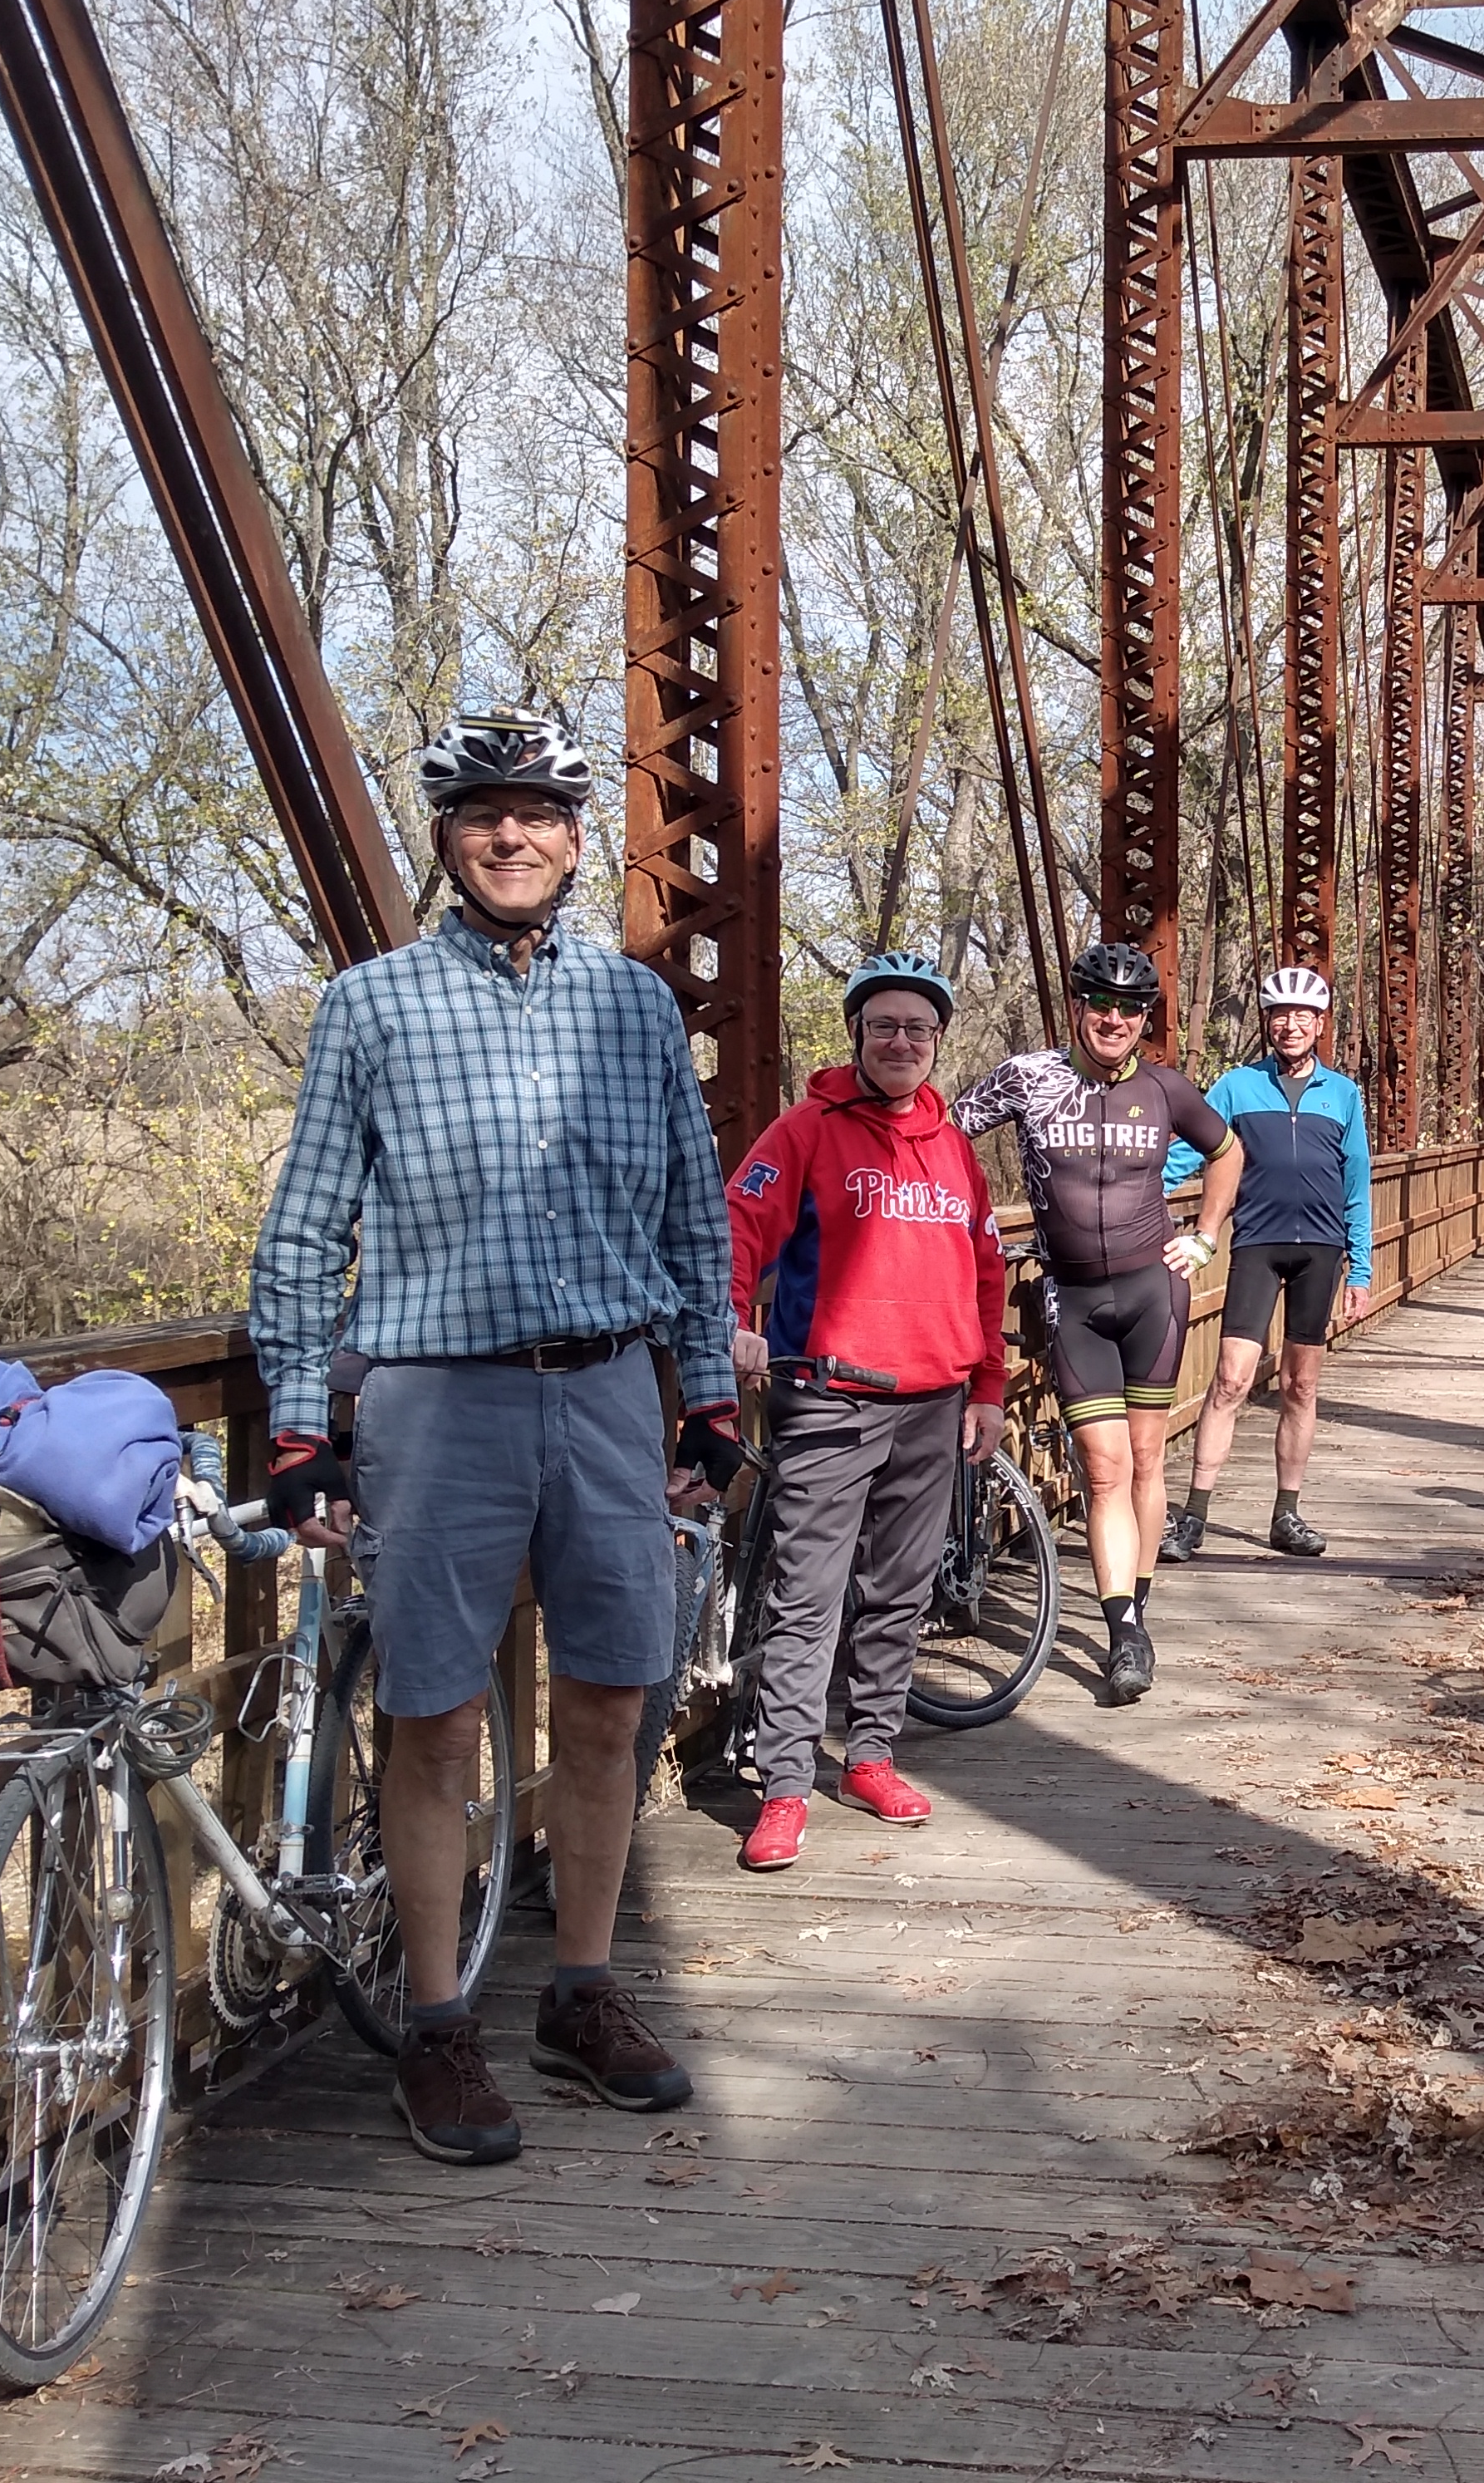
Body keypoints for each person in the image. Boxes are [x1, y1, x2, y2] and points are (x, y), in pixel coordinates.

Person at [250, 707, 739, 2165]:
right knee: (436, 1716)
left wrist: (709, 1396)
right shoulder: (372, 1007)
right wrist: (297, 1427)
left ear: (579, 841)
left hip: (607, 1391)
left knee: (610, 1702)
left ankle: (580, 1992)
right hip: (435, 1395)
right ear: (446, 838)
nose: (510, 835)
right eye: (481, 813)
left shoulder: (637, 1008)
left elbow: (694, 1219)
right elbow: (304, 1233)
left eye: (536, 813)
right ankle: (437, 2025)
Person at [721, 950, 1010, 1871]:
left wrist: (989, 1386)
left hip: (934, 1401)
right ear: (856, 1034)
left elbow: (987, 1272)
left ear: (937, 1043)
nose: (900, 1042)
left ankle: (871, 1757)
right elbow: (737, 1228)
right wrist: (734, 1322)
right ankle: (784, 1786)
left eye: (918, 1029)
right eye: (883, 1025)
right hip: (830, 1398)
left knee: (899, 1594)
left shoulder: (954, 1148)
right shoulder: (805, 1130)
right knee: (807, 1598)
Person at [951, 940, 1242, 1703]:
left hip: (1153, 1292)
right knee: (1104, 1467)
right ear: (1077, 1006)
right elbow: (939, 1135)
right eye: (1102, 1004)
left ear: (1145, 1019)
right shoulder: (1028, 1077)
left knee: (1145, 1461)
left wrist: (1206, 1234)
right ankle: (1124, 1632)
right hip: (1073, 1297)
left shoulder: (1165, 1088)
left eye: (1131, 1009)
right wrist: (953, 1220)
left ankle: (1134, 1616)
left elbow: (1228, 1151)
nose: (1115, 1020)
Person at [1162, 966, 1374, 1561]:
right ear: (1268, 1022)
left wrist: (1361, 1269)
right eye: (1281, 1015)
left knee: (1300, 1386)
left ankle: (1287, 1514)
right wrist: (1139, 1193)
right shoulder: (1236, 1086)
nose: (1291, 1025)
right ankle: (1195, 1516)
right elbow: (1190, 1151)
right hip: (1257, 1243)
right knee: (1230, 1379)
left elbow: (1357, 1183)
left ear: (1320, 1024)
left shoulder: (1343, 1094)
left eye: (1303, 1016)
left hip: (1321, 1251)